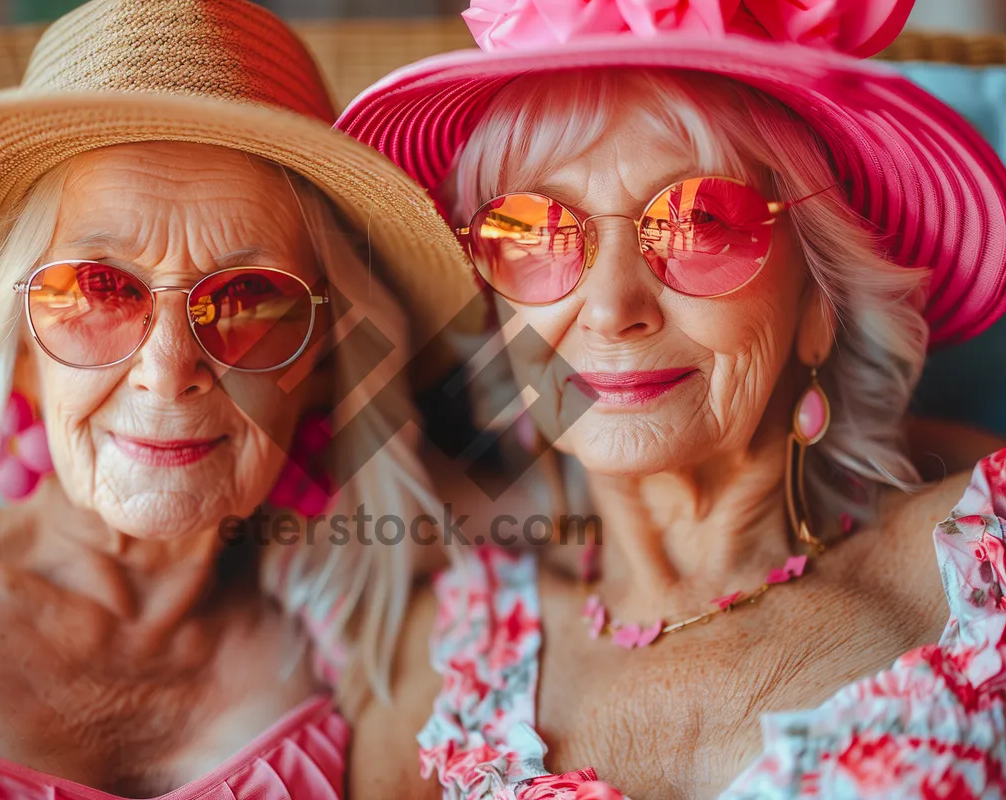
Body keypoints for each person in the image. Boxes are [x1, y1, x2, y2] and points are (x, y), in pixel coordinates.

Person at [0, 0, 477, 798]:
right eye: (99, 288)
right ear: (19, 348)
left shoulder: (378, 661)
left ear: (326, 364)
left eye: (252, 299)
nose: (168, 368)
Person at [338, 0, 1006, 797]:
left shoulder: (978, 563)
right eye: (536, 232)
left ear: (819, 306)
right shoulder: (439, 662)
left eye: (700, 222)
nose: (614, 307)